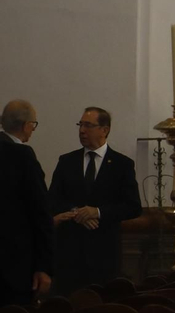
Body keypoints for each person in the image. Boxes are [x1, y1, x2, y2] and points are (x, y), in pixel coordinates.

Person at [48, 107, 143, 295]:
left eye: (88, 125)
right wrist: (78, 212)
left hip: (104, 253)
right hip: (69, 252)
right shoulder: (67, 161)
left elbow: (132, 207)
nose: (82, 130)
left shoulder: (121, 164)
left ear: (104, 130)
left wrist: (98, 212)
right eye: (80, 124)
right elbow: (52, 199)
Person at [0, 100, 52, 306]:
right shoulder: (23, 156)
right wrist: (44, 266)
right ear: (26, 126)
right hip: (16, 267)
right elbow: (40, 211)